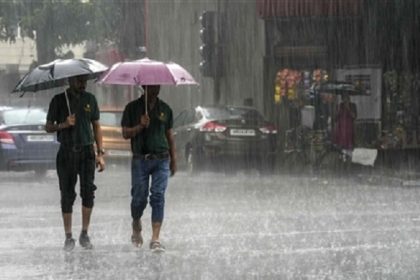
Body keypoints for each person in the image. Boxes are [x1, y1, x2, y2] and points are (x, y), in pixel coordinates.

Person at [45, 74, 105, 251]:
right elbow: (48, 126)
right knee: (67, 194)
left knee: (88, 192)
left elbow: (96, 126)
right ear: (69, 80)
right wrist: (64, 124)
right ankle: (68, 236)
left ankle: (84, 233)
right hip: (67, 152)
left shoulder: (90, 99)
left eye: (85, 81)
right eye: (79, 81)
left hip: (86, 152)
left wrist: (100, 153)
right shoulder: (58, 100)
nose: (83, 84)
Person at [121, 85, 176, 252]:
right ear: (143, 87)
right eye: (152, 86)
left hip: (161, 159)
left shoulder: (165, 109)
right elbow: (125, 133)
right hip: (140, 160)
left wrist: (174, 158)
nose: (156, 89)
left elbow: (169, 135)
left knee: (158, 196)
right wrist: (139, 126)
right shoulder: (132, 108)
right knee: (139, 197)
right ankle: (136, 221)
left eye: (158, 85)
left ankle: (155, 238)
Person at [333, 92, 357, 159]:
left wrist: (348, 108)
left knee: (349, 141)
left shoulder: (353, 105)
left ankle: (349, 155)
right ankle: (341, 155)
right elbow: (335, 118)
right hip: (341, 128)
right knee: (341, 142)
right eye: (344, 98)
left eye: (347, 98)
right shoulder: (340, 105)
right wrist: (337, 112)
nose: (345, 100)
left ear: (349, 98)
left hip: (349, 128)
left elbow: (354, 117)